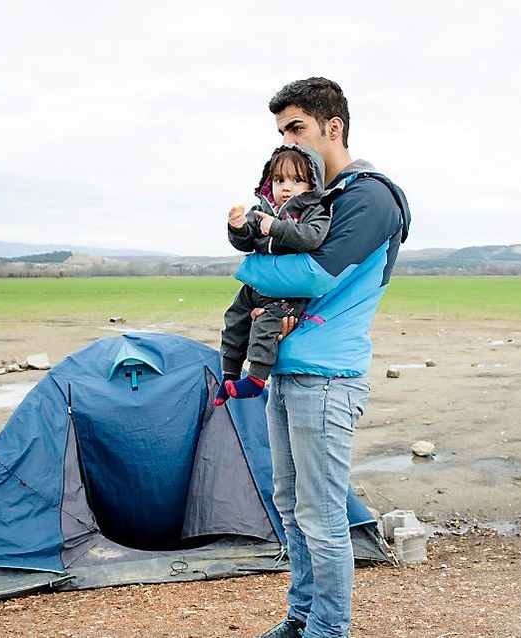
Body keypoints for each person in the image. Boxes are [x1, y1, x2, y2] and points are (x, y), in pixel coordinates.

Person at [234, 78, 410, 638]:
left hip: (328, 378)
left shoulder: (370, 196)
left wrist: (248, 269)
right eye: (281, 131)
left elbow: (314, 273)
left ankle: (328, 630)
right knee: (290, 507)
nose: (287, 140)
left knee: (323, 515)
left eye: (296, 128)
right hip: (288, 372)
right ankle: (301, 617)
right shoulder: (317, 200)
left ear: (332, 127)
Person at [217, 145, 330, 405]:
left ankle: (255, 379)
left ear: (312, 184)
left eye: (296, 180)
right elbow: (245, 242)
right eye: (279, 180)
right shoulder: (261, 209)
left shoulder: (314, 211)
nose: (286, 187)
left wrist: (277, 228)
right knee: (235, 319)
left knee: (266, 325)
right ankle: (229, 374)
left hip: (287, 291)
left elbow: (312, 238)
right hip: (256, 286)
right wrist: (238, 227)